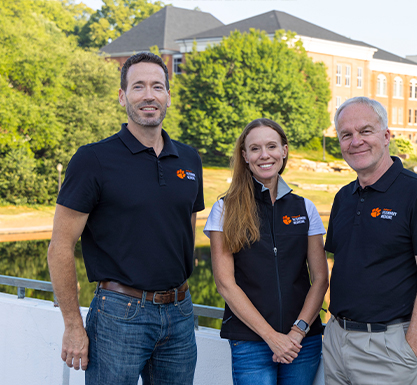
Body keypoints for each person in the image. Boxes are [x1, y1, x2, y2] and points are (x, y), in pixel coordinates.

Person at [47, 52, 204, 384]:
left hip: (179, 312)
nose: (149, 95)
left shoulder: (189, 159)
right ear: (122, 97)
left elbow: (186, 227)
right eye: (138, 87)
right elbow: (61, 246)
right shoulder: (94, 159)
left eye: (157, 86)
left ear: (168, 97)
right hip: (119, 314)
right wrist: (73, 325)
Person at [323, 97, 417, 384]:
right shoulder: (343, 198)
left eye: (365, 131)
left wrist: (410, 350)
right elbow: (340, 266)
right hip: (335, 341)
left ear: (386, 136)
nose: (356, 141)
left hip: (387, 349)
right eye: (346, 135)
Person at [204, 118, 329, 385]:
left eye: (272, 146)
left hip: (302, 344)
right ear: (245, 156)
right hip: (250, 342)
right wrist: (271, 337)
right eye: (255, 148)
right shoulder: (224, 210)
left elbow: (320, 279)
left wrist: (298, 332)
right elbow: (225, 284)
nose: (264, 155)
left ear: (284, 150)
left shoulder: (305, 209)